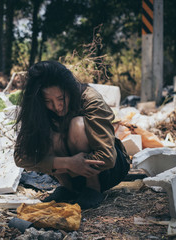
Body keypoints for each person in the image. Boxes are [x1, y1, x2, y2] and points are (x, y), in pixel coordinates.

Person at [14, 61, 130, 209]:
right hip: (70, 172)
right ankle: (67, 189)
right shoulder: (38, 109)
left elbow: (107, 158)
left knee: (77, 125)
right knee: (47, 131)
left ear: (69, 90)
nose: (57, 107)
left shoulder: (90, 98)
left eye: (61, 99)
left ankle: (93, 188)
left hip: (107, 171)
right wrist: (69, 163)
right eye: (48, 101)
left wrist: (78, 163)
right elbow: (21, 157)